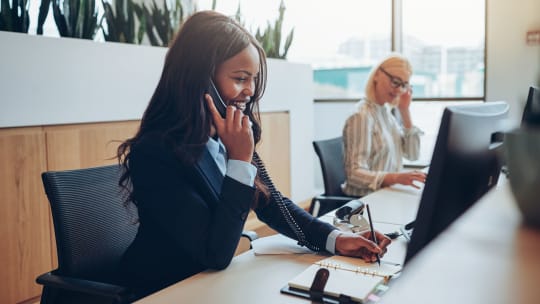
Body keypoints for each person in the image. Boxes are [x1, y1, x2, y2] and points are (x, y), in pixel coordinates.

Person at [116, 11, 391, 299]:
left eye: (253, 79)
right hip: (165, 291)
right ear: (201, 80)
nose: (249, 91)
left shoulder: (220, 139)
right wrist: (239, 160)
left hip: (212, 288)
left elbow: (272, 204)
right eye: (239, 78)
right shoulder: (156, 152)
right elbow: (215, 254)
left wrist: (336, 239)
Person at [342, 54, 427, 197]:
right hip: (365, 201)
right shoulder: (362, 116)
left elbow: (412, 155)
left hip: (386, 194)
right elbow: (354, 174)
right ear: (377, 75)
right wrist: (396, 178)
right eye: (395, 82)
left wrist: (405, 111)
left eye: (404, 85)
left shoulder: (386, 113)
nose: (399, 90)